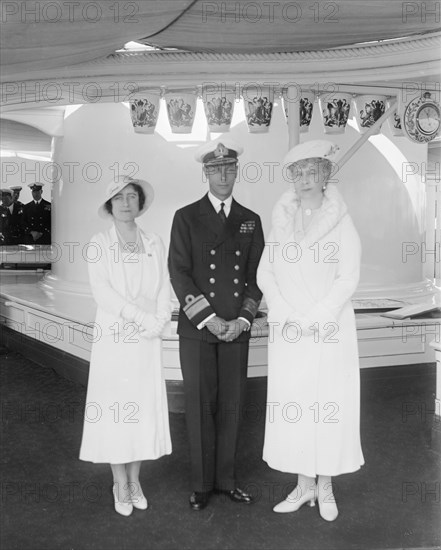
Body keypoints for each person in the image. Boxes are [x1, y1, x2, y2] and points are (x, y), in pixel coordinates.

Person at [257, 140, 364, 522]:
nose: (304, 179)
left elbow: (347, 277)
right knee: (296, 406)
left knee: (328, 407)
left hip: (328, 330)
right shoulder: (281, 220)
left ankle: (327, 486)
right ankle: (304, 486)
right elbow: (265, 272)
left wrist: (316, 316)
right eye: (297, 172)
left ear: (325, 176)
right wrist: (286, 311)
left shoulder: (342, 220)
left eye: (312, 171)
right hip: (289, 331)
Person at [168, 139, 265, 510]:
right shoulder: (186, 216)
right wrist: (209, 319)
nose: (223, 175)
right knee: (199, 405)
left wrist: (243, 318)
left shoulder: (249, 219)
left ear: (237, 172)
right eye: (215, 169)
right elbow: (179, 272)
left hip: (236, 329)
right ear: (204, 174)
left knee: (232, 406)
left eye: (229, 168)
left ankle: (227, 480)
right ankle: (202, 483)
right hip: (198, 329)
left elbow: (258, 276)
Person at [79, 175, 172, 517]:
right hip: (115, 337)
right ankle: (119, 481)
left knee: (140, 407)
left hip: (147, 339)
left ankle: (135, 480)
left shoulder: (154, 241)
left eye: (131, 196)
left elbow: (164, 284)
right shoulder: (99, 243)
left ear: (140, 202)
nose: (126, 202)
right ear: (109, 205)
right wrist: (140, 317)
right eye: (118, 197)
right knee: (117, 408)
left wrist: (160, 318)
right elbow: (102, 292)